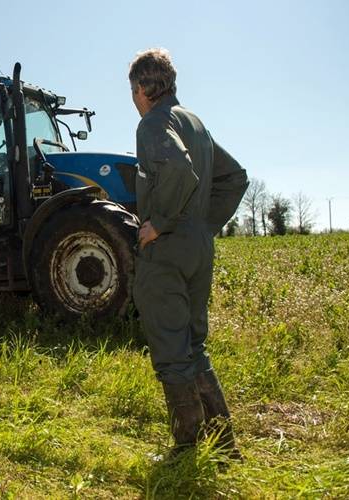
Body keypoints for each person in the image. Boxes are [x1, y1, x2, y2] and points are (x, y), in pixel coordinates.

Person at [128, 49, 248, 459]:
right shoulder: (195, 123)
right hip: (199, 245)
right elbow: (235, 178)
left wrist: (159, 223)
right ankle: (223, 443)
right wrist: (204, 224)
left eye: (132, 88)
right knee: (194, 345)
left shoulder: (153, 124)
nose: (132, 96)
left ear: (144, 87)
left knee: (171, 349)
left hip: (169, 248)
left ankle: (187, 449)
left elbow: (178, 170)